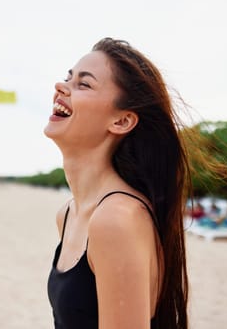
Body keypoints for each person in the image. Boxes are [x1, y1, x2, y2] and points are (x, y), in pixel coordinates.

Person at [45, 38, 189, 329]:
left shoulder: (116, 219)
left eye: (83, 84)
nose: (61, 87)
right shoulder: (68, 214)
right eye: (67, 78)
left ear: (122, 121)